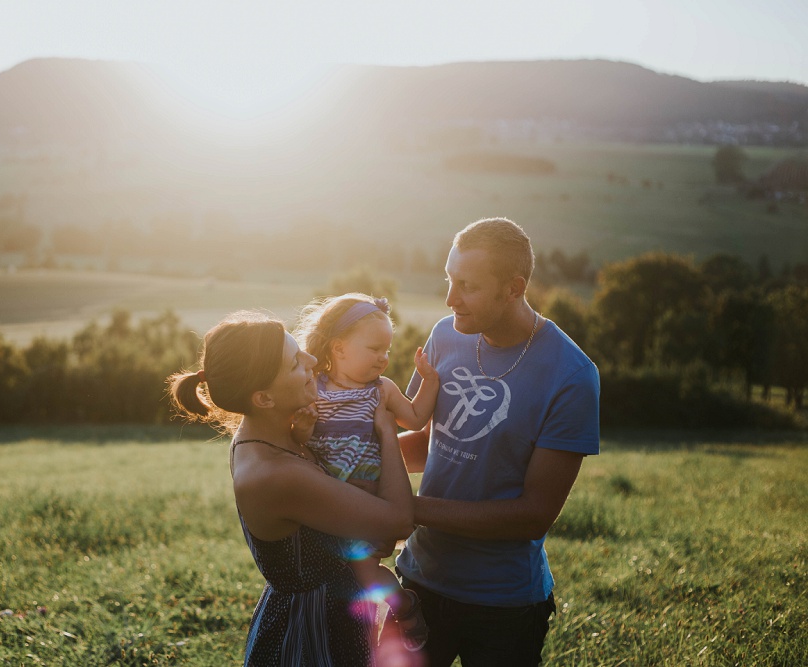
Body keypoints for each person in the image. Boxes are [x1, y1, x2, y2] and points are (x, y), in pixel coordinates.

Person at [395, 217, 601, 666]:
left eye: (466, 285)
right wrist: (351, 463)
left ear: (513, 288)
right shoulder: (445, 335)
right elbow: (428, 441)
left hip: (503, 607)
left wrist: (406, 509)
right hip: (418, 583)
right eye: (449, 279)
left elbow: (533, 516)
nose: (450, 299)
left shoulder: (572, 376)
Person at [168, 311, 416, 666]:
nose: (313, 361)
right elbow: (398, 521)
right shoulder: (276, 475)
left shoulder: (274, 433)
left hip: (332, 609)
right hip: (311, 629)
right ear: (264, 398)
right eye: (296, 363)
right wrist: (386, 429)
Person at [293, 293, 438, 651]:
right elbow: (298, 444)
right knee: (333, 571)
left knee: (364, 569)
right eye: (374, 348)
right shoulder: (314, 387)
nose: (383, 358)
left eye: (387, 350)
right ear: (339, 348)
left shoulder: (381, 390)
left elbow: (416, 419)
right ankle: (340, 637)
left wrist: (430, 381)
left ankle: (403, 606)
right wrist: (304, 428)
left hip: (369, 499)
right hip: (327, 500)